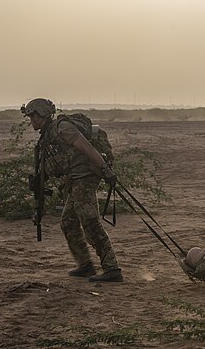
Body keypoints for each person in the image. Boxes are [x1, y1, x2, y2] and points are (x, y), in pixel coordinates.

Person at [22, 98, 123, 282]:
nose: (32, 121)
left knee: (89, 219)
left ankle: (112, 268)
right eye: (30, 117)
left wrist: (105, 170)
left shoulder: (62, 128)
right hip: (75, 178)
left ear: (43, 115)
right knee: (68, 222)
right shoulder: (46, 137)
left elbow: (86, 147)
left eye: (34, 116)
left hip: (86, 175)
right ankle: (85, 265)